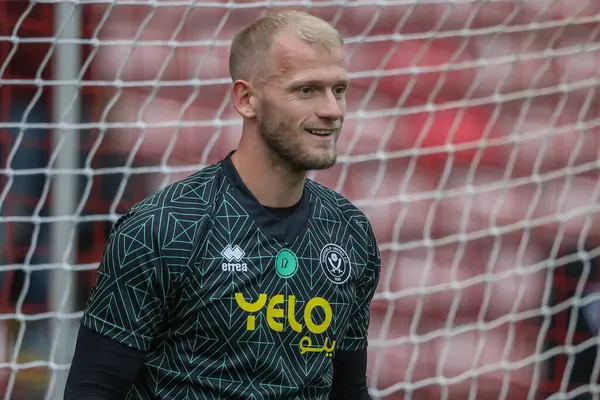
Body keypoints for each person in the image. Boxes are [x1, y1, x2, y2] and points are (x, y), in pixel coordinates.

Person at [63, 10, 381, 400]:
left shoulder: (350, 231)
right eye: (306, 90)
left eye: (339, 89)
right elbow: (91, 390)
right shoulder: (162, 227)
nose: (333, 110)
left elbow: (349, 392)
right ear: (246, 99)